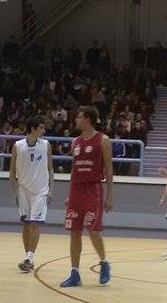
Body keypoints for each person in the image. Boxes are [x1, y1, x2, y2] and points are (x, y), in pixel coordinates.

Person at [60, 106, 114, 287]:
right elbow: (74, 170)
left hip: (93, 190)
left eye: (79, 117)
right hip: (76, 190)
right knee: (74, 232)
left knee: (93, 231)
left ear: (88, 120)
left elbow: (109, 169)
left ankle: (104, 262)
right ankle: (75, 273)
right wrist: (70, 194)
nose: (76, 120)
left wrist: (110, 195)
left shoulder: (103, 140)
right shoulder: (75, 142)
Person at [9, 117, 54, 272]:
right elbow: (12, 171)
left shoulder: (46, 145)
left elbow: (50, 169)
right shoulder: (18, 146)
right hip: (23, 190)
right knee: (26, 225)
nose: (44, 130)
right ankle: (27, 256)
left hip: (40, 191)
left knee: (35, 224)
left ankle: (29, 258)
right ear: (33, 129)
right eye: (41, 127)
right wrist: (15, 191)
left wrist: (51, 189)